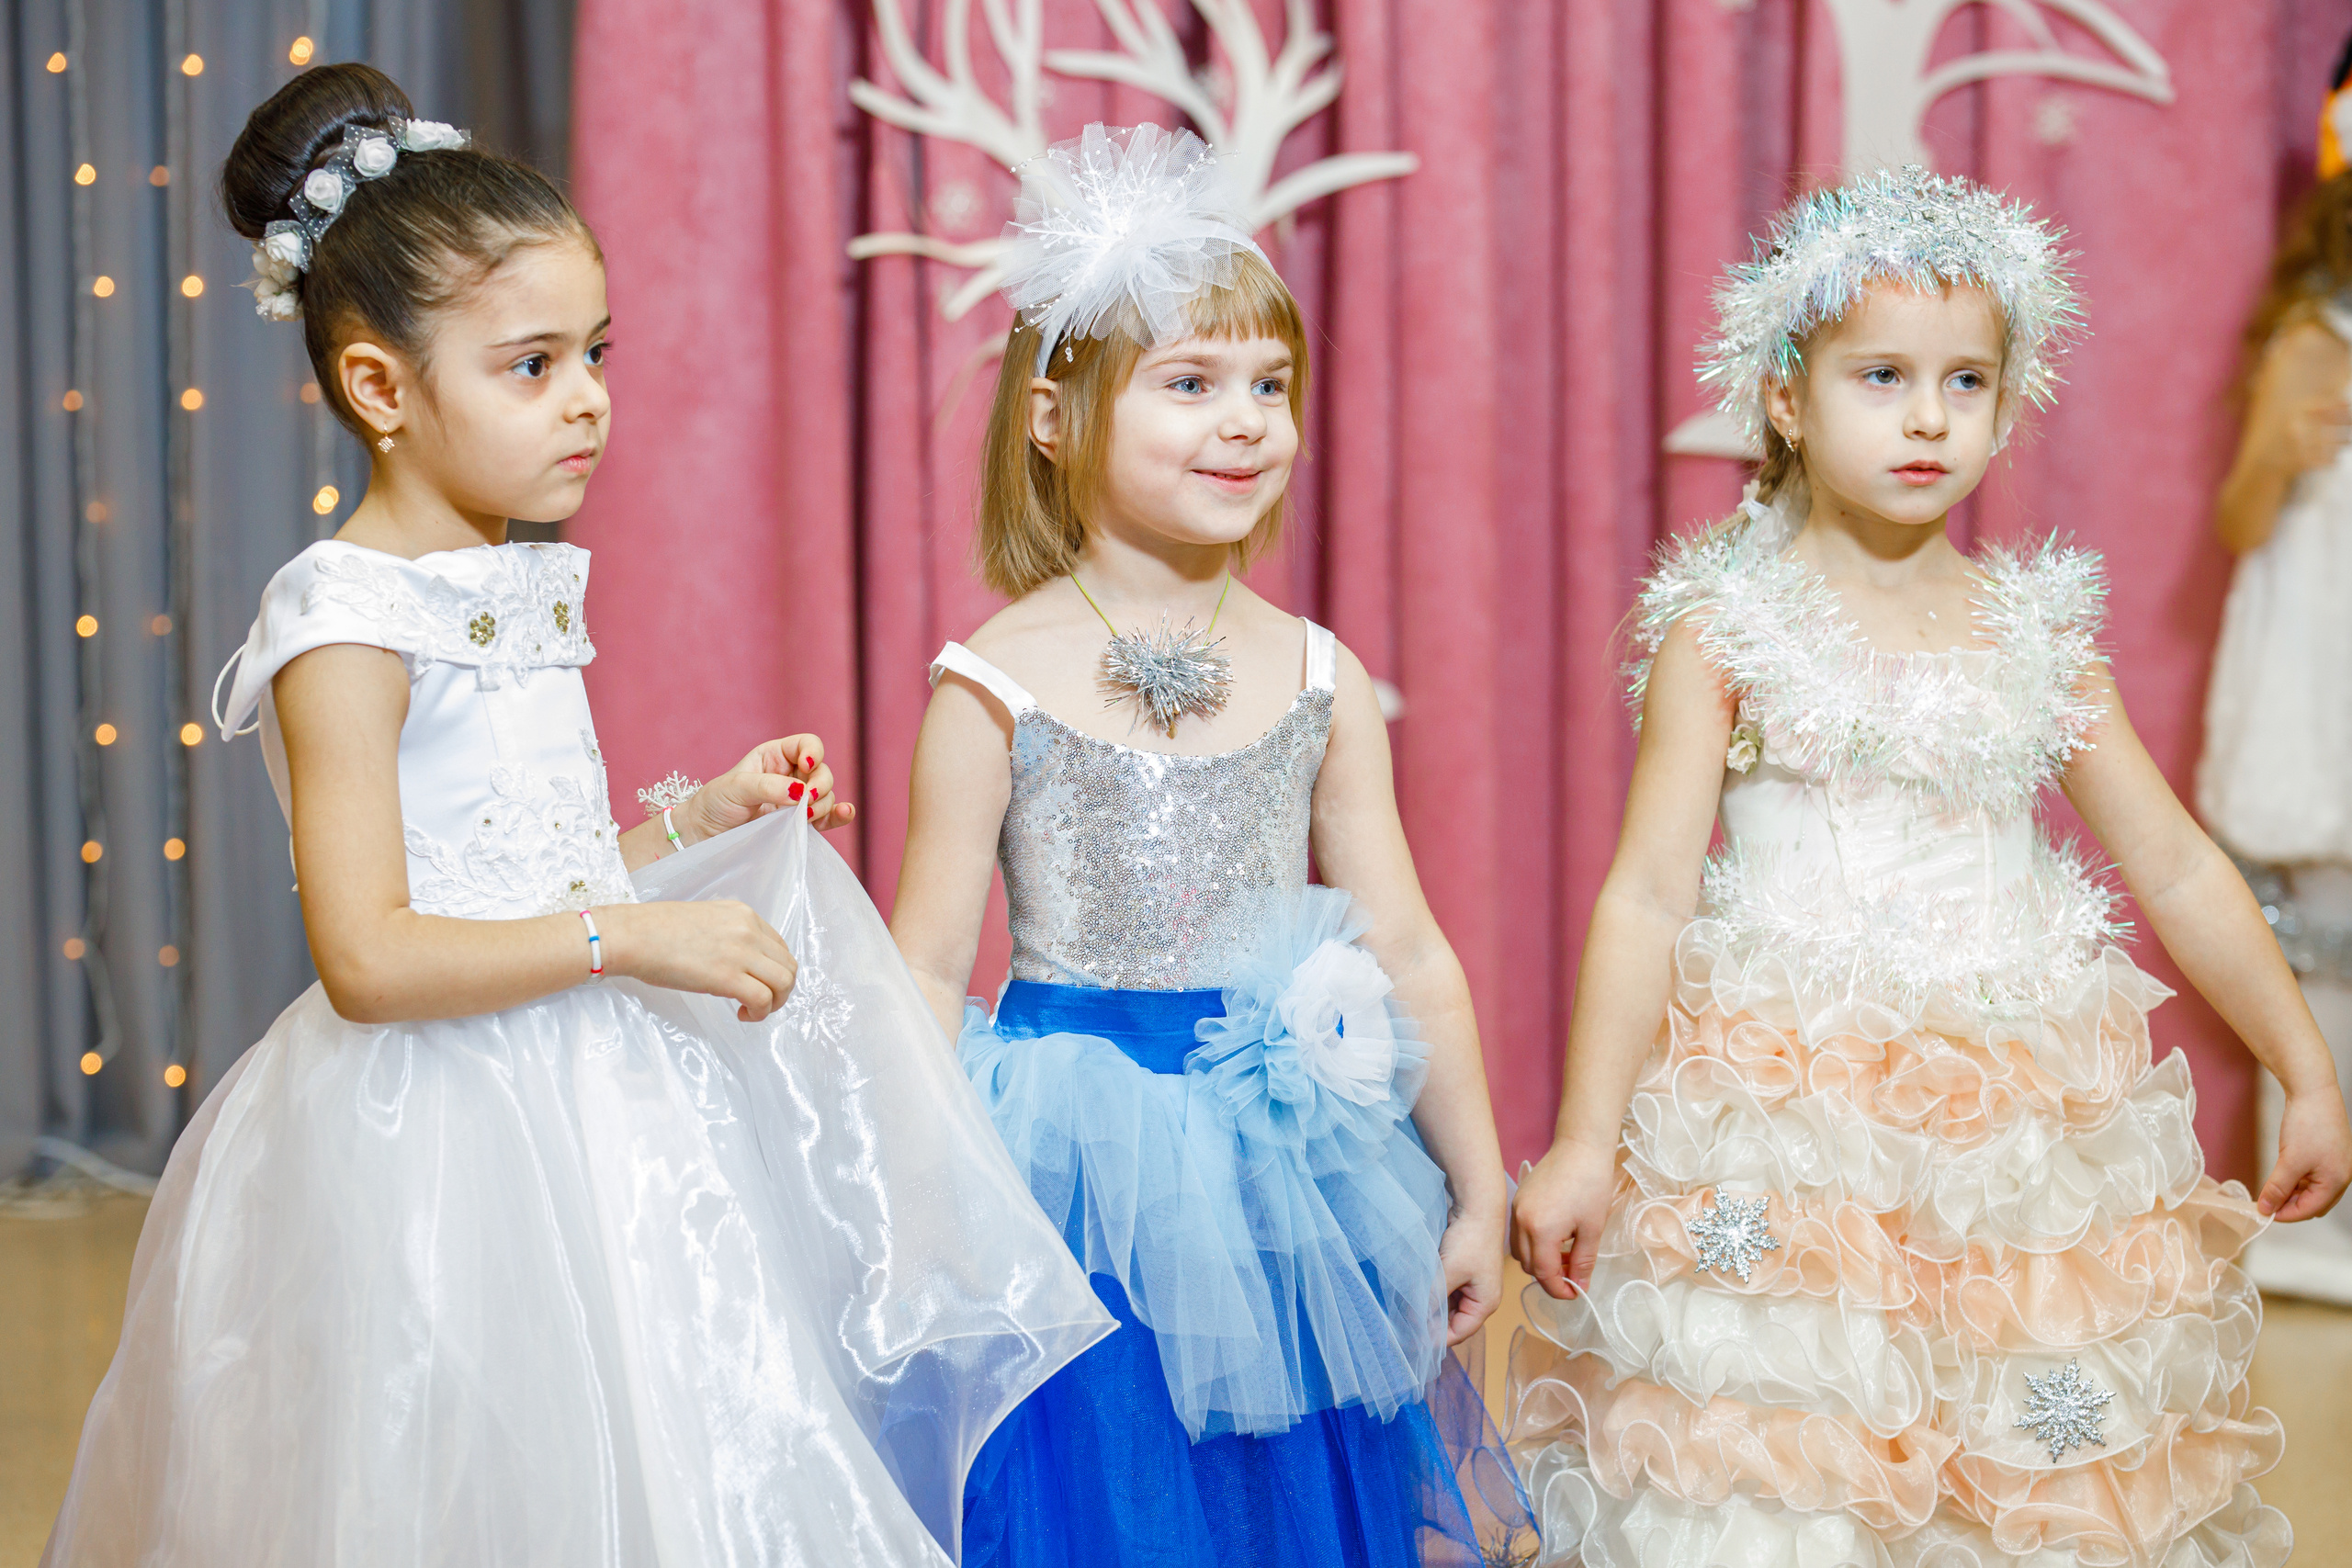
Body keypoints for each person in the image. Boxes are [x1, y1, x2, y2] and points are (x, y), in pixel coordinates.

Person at [43, 62, 1109, 1567]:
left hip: (600, 1103)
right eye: (531, 364)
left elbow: (528, 872)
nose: (590, 397)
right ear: (378, 388)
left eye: (595, 351)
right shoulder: (342, 622)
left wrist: (698, 821)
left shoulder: (515, 581)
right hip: (435, 1134)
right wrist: (641, 936)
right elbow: (376, 953)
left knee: (679, 1439)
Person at [1508, 166, 2346, 1567]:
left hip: (2016, 1136)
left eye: (1966, 382)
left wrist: (2304, 1066)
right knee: (1796, 1487)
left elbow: (2176, 863)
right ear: (1788, 395)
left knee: (2019, 1473)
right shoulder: (1727, 628)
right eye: (1882, 374)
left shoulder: (2037, 634)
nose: (1925, 416)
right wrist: (1590, 1137)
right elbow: (1648, 893)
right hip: (1787, 1135)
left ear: (2006, 403)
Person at [885, 124, 1532, 1568]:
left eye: (1270, 385)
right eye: (1190, 385)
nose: (1246, 421)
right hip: (1072, 1185)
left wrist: (1479, 1186)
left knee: (1291, 1516)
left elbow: (1409, 948)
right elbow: (923, 973)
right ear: (1055, 418)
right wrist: (927, 1206)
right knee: (1111, 1513)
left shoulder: (1316, 674)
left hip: (1289, 1182)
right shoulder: (992, 681)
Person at [2199, 35, 2352, 1307]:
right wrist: (2290, 450)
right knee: (2314, 942)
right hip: (2324, 660)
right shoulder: (2316, 333)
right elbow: (2240, 516)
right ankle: (2308, 1222)